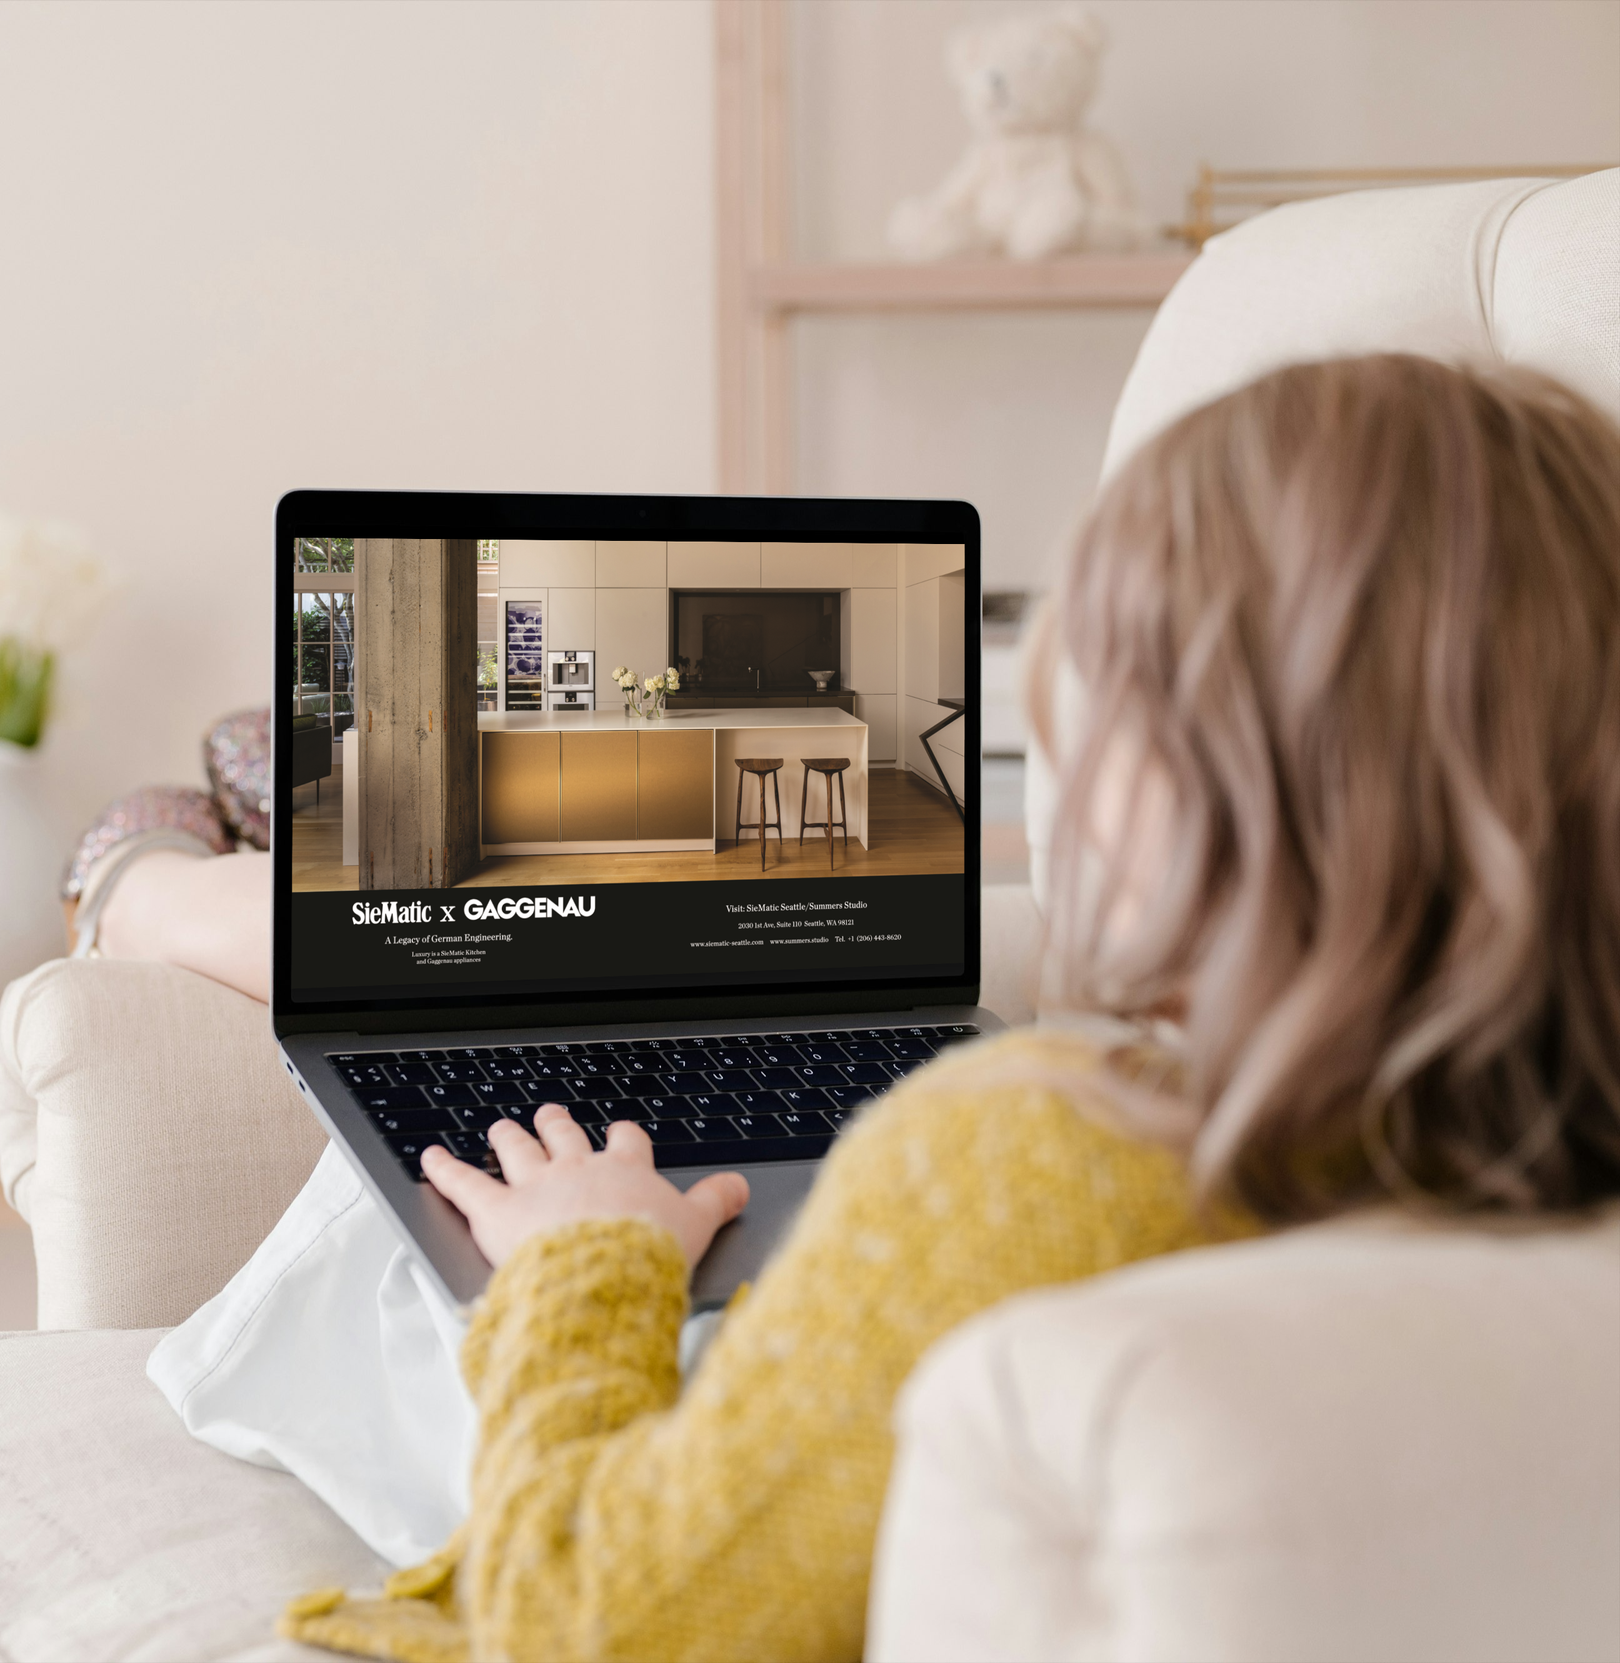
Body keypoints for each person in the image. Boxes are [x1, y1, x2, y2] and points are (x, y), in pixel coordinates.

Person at [219, 356, 1615, 1663]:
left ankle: (161, 866)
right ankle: (163, 870)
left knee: (384, 1235)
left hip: (629, 1383)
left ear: (1224, 776)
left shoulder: (1027, 1157)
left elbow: (588, 1615)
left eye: (1112, 696)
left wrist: (585, 1262)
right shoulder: (1529, 1163)